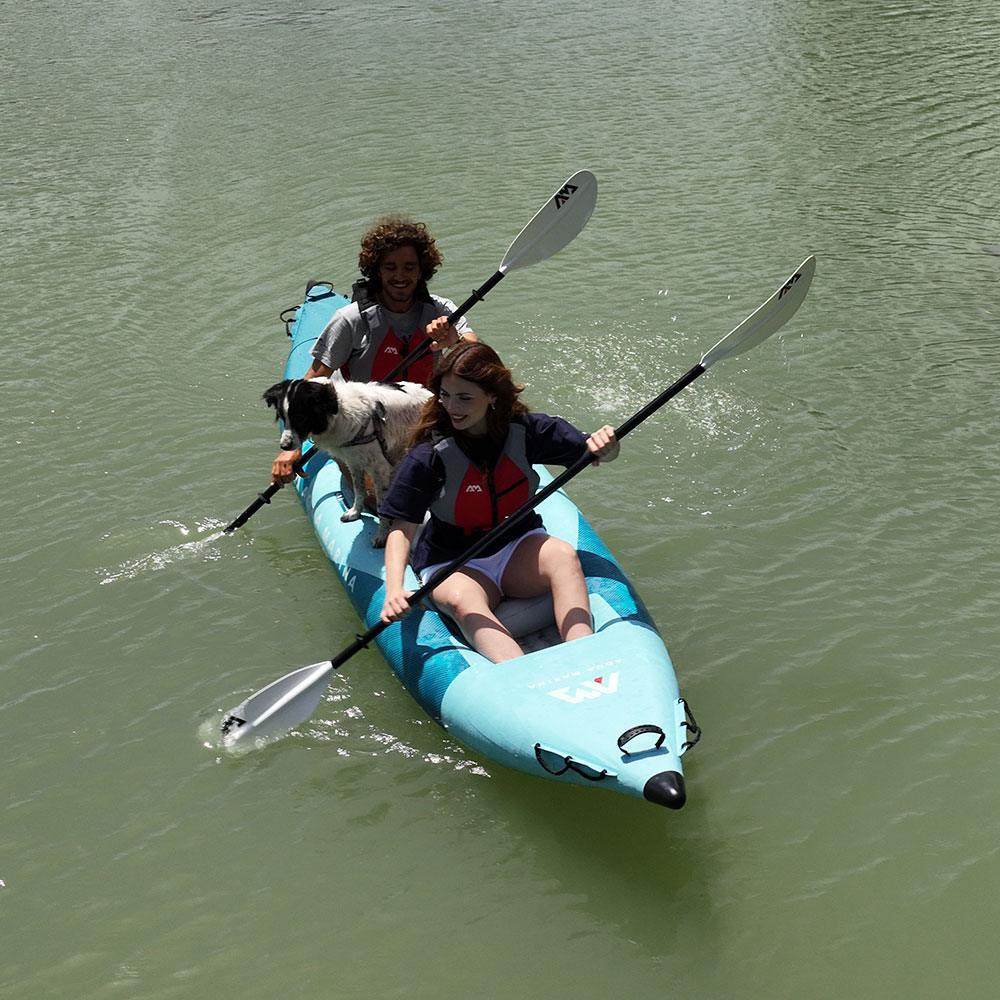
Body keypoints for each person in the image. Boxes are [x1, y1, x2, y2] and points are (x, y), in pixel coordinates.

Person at [378, 341, 620, 663]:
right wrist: (394, 589)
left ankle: (588, 659)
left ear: (492, 396)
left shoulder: (527, 431)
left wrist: (608, 445)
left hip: (517, 544)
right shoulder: (428, 454)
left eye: (465, 397)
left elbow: (595, 453)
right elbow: (402, 527)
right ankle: (520, 678)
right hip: (454, 562)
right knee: (466, 601)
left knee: (563, 556)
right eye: (446, 396)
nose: (453, 407)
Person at [270, 217, 476, 485]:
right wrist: (292, 447)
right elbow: (310, 383)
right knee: (383, 499)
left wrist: (454, 341)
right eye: (390, 267)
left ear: (421, 270)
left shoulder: (442, 311)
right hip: (362, 434)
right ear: (376, 270)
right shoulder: (350, 320)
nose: (400, 276)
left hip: (422, 422)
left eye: (409, 267)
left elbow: (481, 359)